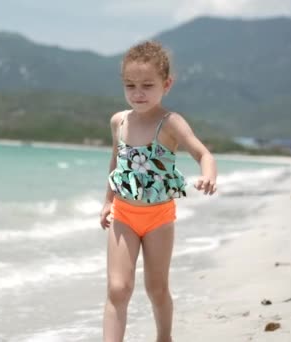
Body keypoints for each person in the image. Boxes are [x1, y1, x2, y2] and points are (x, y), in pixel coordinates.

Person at [99, 40, 217, 342]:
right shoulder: (119, 121)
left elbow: (203, 154)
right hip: (123, 214)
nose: (138, 93)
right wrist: (107, 202)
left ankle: (164, 338)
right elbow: (116, 163)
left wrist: (208, 176)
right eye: (130, 85)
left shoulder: (171, 123)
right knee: (118, 287)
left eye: (147, 85)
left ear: (167, 84)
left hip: (159, 218)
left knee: (156, 287)